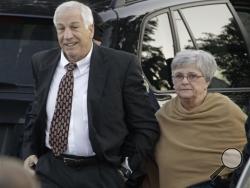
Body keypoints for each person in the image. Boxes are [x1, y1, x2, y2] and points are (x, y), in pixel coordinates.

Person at [22, 1, 159, 188]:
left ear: (91, 29)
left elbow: (145, 125)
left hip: (103, 174)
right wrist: (29, 151)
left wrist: (126, 170)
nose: (67, 36)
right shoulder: (41, 62)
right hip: (50, 171)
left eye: (74, 27)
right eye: (61, 28)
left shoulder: (121, 65)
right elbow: (35, 112)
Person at [143, 50, 247, 188]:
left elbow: (244, 152)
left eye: (192, 76)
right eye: (178, 76)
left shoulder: (224, 109)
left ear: (207, 81)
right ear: (172, 81)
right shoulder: (163, 114)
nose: (184, 81)